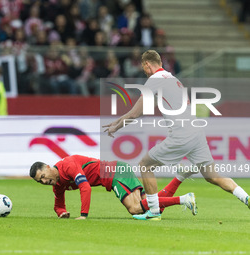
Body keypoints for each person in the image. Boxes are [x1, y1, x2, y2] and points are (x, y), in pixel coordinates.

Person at [103, 50, 250, 220]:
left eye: (144, 67)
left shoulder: (155, 80)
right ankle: (245, 197)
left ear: (147, 64)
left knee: (145, 165)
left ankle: (154, 211)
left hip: (182, 135)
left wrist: (116, 126)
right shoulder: (173, 79)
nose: (144, 71)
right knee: (212, 176)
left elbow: (136, 113)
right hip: (196, 133)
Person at [30, 154, 197, 220]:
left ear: (48, 167)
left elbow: (85, 187)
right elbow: (58, 205)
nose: (44, 182)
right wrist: (62, 213)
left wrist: (83, 215)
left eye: (43, 177)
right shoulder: (58, 184)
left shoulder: (68, 165)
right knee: (152, 207)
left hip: (115, 172)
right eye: (40, 181)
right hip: (117, 171)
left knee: (135, 209)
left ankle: (184, 199)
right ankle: (180, 178)